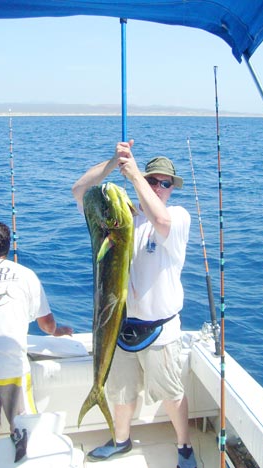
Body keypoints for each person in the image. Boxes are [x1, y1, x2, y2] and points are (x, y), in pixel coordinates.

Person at [72, 140, 197, 468]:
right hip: (120, 327)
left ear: (172, 188)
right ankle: (121, 440)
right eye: (151, 180)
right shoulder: (123, 215)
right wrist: (116, 161)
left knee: (171, 393)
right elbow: (80, 190)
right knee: (121, 393)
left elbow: (163, 223)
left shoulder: (177, 217)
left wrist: (136, 177)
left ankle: (184, 446)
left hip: (161, 331)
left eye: (164, 183)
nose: (157, 187)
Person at [0, 220, 73, 437]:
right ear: (7, 248)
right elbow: (46, 325)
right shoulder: (26, 275)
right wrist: (57, 331)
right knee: (24, 431)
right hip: (11, 365)